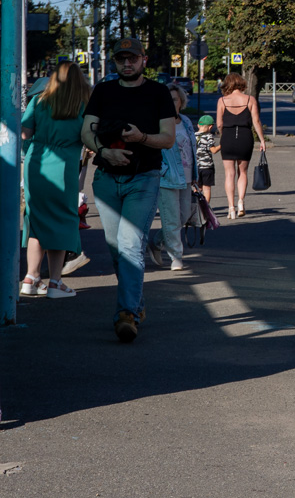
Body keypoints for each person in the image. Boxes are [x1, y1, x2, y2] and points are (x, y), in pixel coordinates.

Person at [82, 37, 178, 343]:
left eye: (132, 58)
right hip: (107, 178)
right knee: (116, 249)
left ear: (143, 60)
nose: (127, 63)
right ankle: (136, 303)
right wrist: (104, 151)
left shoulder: (158, 92)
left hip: (143, 178)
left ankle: (127, 315)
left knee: (130, 244)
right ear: (115, 62)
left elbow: (168, 139)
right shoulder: (104, 91)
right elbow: (86, 130)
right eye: (121, 59)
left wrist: (141, 138)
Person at [19, 61, 91, 300]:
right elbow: (89, 137)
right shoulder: (82, 105)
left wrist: (33, 148)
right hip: (64, 165)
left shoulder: (38, 101)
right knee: (61, 220)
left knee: (36, 218)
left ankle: (30, 278)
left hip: (36, 163)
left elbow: (24, 133)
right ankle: (56, 283)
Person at [151, 84, 197, 271]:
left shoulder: (185, 121)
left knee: (184, 216)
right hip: (167, 177)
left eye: (175, 100)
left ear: (181, 102)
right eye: (168, 100)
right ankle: (176, 257)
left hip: (186, 178)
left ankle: (155, 243)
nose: (171, 103)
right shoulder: (156, 123)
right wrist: (161, 170)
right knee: (171, 220)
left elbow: (192, 149)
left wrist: (195, 174)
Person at [216, 73, 267, 219]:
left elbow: (219, 123)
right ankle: (241, 203)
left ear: (227, 84)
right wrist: (262, 140)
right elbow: (256, 122)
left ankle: (231, 208)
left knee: (229, 174)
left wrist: (222, 135)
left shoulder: (222, 101)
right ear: (241, 83)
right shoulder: (250, 99)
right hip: (245, 137)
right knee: (242, 172)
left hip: (228, 137)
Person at [194, 114, 218, 210]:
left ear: (198, 125)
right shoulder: (209, 136)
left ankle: (196, 206)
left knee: (197, 188)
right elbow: (213, 150)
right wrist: (221, 146)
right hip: (207, 167)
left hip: (197, 167)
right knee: (207, 188)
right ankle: (205, 207)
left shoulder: (193, 135)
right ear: (211, 126)